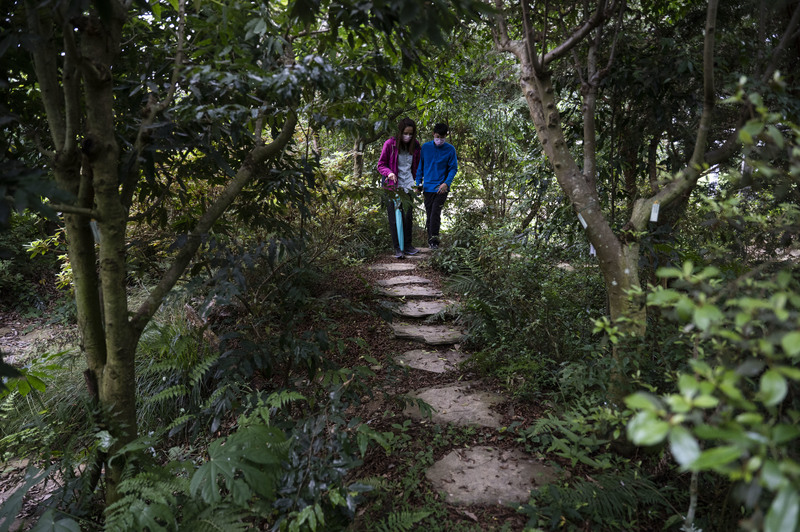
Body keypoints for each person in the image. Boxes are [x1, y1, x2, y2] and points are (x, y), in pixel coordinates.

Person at [377, 117, 421, 259]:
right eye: (405, 133)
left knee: (408, 216)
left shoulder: (415, 145)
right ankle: (398, 248)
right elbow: (381, 164)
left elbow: (418, 166)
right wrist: (389, 173)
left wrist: (418, 183)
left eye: (410, 133)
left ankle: (408, 246)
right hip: (392, 186)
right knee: (394, 218)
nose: (407, 136)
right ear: (400, 131)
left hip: (408, 185)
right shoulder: (390, 144)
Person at [416, 123, 457, 249]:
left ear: (446, 136)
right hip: (427, 187)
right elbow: (420, 167)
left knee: (435, 213)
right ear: (433, 134)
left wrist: (446, 183)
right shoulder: (426, 148)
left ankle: (434, 241)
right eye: (438, 136)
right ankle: (431, 241)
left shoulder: (450, 150)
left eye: (443, 137)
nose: (440, 140)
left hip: (441, 188)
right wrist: (418, 184)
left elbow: (453, 168)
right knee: (430, 215)